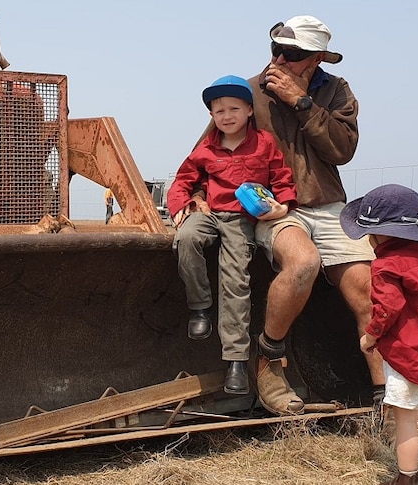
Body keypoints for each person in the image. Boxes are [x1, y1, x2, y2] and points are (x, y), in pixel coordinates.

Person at [190, 14, 385, 416]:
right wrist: (194, 194)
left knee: (368, 291)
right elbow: (208, 148)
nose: (279, 59)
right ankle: (269, 359)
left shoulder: (336, 94)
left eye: (292, 53)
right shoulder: (248, 92)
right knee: (302, 264)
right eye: (275, 49)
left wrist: (302, 103)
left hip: (328, 204)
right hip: (277, 206)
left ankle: (386, 395)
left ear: (316, 59)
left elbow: (341, 151)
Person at [167, 75, 297, 394]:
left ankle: (236, 360)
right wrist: (181, 206)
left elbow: (282, 179)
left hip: (242, 219)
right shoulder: (205, 149)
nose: (226, 116)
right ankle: (200, 307)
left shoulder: (265, 144)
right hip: (210, 214)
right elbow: (182, 181)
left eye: (233, 108)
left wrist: (283, 207)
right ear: (211, 115)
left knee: (236, 279)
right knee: (186, 238)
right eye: (219, 111)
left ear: (249, 110)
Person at [340, 184, 418, 485]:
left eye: (370, 233)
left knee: (406, 421)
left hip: (407, 358)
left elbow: (387, 307)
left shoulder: (387, 266)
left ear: (383, 234)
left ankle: (406, 477)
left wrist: (370, 337)